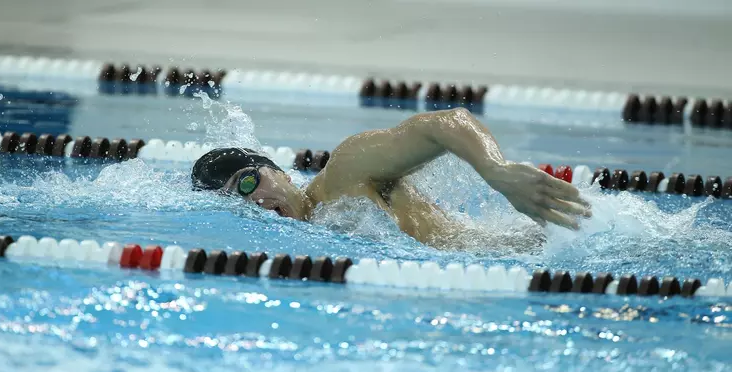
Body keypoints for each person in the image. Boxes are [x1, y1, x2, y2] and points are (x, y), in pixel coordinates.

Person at [191, 108, 591, 249]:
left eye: (248, 183)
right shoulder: (310, 235)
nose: (253, 201)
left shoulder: (344, 172)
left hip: (555, 238)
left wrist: (497, 172)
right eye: (236, 201)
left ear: (280, 173)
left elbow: (445, 122)